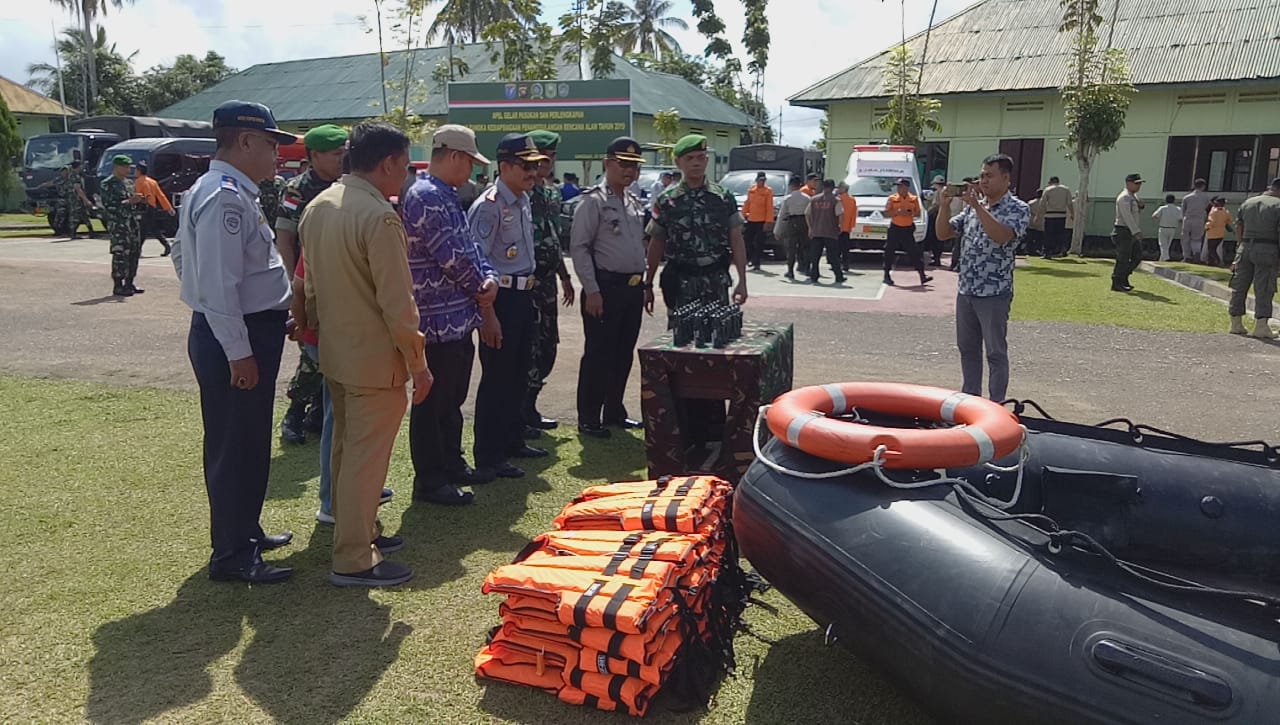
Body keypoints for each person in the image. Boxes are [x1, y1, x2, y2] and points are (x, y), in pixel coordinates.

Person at [170, 100, 298, 584]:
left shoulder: (216, 188)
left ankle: (245, 531)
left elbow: (186, 260)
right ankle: (232, 554)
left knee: (246, 440)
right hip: (236, 336)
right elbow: (219, 284)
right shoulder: (225, 195)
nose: (276, 156)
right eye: (270, 144)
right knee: (235, 445)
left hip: (241, 329)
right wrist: (237, 348)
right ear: (244, 141)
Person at [299, 122, 428, 587]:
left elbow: (309, 287)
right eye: (406, 165)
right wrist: (418, 363)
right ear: (389, 163)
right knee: (365, 459)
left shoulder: (319, 206)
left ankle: (359, 532)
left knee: (344, 450)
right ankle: (354, 556)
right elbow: (398, 305)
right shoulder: (379, 216)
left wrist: (313, 332)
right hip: (374, 360)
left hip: (336, 350)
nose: (407, 175)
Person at [402, 124, 500, 506]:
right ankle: (430, 478)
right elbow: (454, 257)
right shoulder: (428, 196)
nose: (472, 171)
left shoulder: (444, 194)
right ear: (455, 156)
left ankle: (451, 463)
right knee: (433, 401)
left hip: (456, 316)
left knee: (453, 396)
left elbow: (470, 248)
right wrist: (484, 289)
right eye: (470, 162)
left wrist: (487, 277)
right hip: (435, 318)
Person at [645, 134, 748, 450]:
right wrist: (647, 283)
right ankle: (682, 425)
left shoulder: (723, 197)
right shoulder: (667, 200)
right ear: (678, 163)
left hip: (715, 278)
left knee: (714, 350)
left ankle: (714, 426)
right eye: (690, 158)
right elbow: (656, 244)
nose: (697, 162)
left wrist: (742, 279)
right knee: (680, 349)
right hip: (680, 281)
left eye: (701, 157)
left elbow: (736, 239)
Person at [468, 133, 549, 480]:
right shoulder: (488, 205)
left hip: (522, 295)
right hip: (499, 298)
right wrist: (487, 314)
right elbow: (476, 261)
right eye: (525, 166)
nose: (533, 173)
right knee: (497, 378)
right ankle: (489, 454)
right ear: (504, 166)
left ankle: (512, 440)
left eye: (535, 165)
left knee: (518, 374)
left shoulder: (522, 199)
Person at [275, 124, 350, 445]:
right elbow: (285, 239)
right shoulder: (297, 189)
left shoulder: (350, 185)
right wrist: (294, 286)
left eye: (345, 153)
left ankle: (318, 414)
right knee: (313, 353)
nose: (342, 159)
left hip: (342, 281)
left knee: (335, 353)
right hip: (310, 282)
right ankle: (294, 412)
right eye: (336, 154)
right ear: (315, 155)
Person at [571, 137, 648, 439]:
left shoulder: (632, 201)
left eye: (634, 166)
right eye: (623, 164)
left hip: (631, 288)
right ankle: (589, 416)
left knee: (622, 352)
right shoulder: (593, 201)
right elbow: (579, 248)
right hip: (604, 287)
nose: (629, 171)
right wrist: (591, 289)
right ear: (608, 163)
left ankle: (614, 410)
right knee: (598, 354)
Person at [936, 153, 1030, 402]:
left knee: (995, 352)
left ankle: (996, 404)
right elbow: (943, 233)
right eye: (981, 175)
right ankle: (971, 400)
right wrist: (944, 206)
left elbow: (1002, 236)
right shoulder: (972, 210)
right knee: (967, 349)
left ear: (1006, 178)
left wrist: (977, 207)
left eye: (990, 175)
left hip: (994, 292)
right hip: (967, 290)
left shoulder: (1018, 208)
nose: (983, 181)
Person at [524, 129, 576, 435]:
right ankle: (523, 411)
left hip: (548, 282)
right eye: (544, 157)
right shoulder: (522, 194)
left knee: (547, 346)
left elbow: (554, 239)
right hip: (527, 282)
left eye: (552, 157)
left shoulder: (552, 194)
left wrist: (565, 276)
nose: (549, 163)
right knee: (529, 347)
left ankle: (531, 404)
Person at [1229, 178, 1280, 338]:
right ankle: (1261, 325)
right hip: (1268, 247)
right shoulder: (1278, 205)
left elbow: (1239, 225)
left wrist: (1240, 245)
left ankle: (1236, 322)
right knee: (1264, 286)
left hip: (1245, 246)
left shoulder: (1248, 202)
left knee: (1239, 284)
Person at [100, 154, 146, 297]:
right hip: (119, 224)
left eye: (128, 167)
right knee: (120, 253)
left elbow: (132, 203)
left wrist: (139, 201)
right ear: (116, 167)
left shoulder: (129, 183)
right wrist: (128, 202)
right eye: (125, 167)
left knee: (134, 252)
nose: (128, 170)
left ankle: (130, 282)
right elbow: (109, 206)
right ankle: (118, 284)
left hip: (132, 223)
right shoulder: (107, 184)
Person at [883, 178, 930, 286]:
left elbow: (918, 213)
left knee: (914, 252)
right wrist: (897, 212)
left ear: (906, 187)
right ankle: (886, 275)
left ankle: (922, 275)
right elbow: (885, 213)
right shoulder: (892, 198)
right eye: (898, 186)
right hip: (895, 228)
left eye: (901, 186)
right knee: (889, 251)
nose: (898, 188)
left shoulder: (913, 199)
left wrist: (910, 213)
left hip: (907, 229)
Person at [804, 179, 844, 284]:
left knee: (815, 256)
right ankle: (839, 276)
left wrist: (810, 228)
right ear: (832, 187)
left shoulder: (814, 199)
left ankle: (814, 275)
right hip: (830, 232)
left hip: (816, 231)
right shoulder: (836, 200)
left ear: (823, 187)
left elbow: (807, 214)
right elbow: (839, 214)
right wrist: (840, 227)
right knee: (833, 256)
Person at [133, 161, 175, 256]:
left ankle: (137, 250)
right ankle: (166, 246)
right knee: (152, 229)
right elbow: (161, 196)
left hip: (143, 207)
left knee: (143, 230)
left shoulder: (139, 181)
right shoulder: (153, 182)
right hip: (152, 207)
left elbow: (138, 196)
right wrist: (168, 208)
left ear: (139, 171)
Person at [1111, 173, 1145, 292]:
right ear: (1128, 183)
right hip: (1123, 230)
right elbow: (1127, 216)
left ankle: (1123, 277)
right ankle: (1117, 282)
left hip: (1130, 231)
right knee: (1123, 258)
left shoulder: (1133, 196)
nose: (1139, 186)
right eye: (1136, 183)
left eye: (1140, 183)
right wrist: (1136, 231)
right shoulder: (1124, 197)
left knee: (1137, 256)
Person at [741, 172, 775, 272]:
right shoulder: (752, 190)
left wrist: (768, 222)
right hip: (751, 220)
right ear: (757, 180)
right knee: (748, 240)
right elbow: (747, 203)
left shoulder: (768, 191)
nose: (762, 182)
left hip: (762, 221)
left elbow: (769, 207)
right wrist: (742, 216)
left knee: (759, 242)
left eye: (764, 180)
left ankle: (757, 262)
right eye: (760, 180)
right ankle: (751, 258)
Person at [778, 175, 811, 279]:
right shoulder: (807, 198)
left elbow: (781, 215)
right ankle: (807, 269)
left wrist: (777, 230)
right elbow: (810, 213)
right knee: (805, 246)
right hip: (804, 221)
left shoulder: (788, 199)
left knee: (791, 247)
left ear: (791, 186)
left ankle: (790, 271)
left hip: (792, 222)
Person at [1040, 176, 1072, 258]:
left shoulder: (1048, 190)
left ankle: (1048, 252)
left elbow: (1042, 203)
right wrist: (1072, 213)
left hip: (1049, 215)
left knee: (1048, 235)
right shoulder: (1066, 189)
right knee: (1059, 235)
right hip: (1061, 215)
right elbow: (1069, 203)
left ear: (1050, 182)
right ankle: (1058, 251)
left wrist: (1039, 215)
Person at [1182, 179, 1212, 263]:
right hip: (1199, 220)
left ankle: (1186, 256)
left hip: (1187, 219)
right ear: (1203, 186)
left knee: (1185, 239)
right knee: (1197, 239)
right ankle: (1196, 255)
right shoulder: (1206, 197)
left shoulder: (1187, 197)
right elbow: (1208, 209)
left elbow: (1183, 210)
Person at [64, 160, 95, 239]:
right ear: (79, 166)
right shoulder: (75, 176)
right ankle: (72, 233)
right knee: (75, 216)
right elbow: (78, 189)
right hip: (76, 200)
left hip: (77, 199)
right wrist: (86, 200)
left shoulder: (73, 175)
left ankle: (91, 231)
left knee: (84, 214)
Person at [923, 175, 946, 266]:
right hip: (942, 216)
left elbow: (935, 205)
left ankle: (936, 258)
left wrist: (927, 213)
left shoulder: (937, 193)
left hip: (935, 216)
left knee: (935, 238)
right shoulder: (945, 191)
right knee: (939, 239)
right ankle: (937, 257)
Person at [1152, 194, 1182, 262]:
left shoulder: (1162, 208)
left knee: (1162, 244)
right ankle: (1161, 260)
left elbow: (1154, 216)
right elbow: (1180, 219)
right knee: (1168, 245)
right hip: (1173, 228)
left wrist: (1159, 219)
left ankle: (1166, 258)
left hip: (1163, 227)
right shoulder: (1178, 209)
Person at [1204, 197, 1232, 267]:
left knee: (1211, 249)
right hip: (1221, 232)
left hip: (1212, 232)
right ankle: (1211, 262)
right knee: (1214, 248)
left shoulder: (1214, 211)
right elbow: (1229, 220)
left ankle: (1218, 261)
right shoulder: (1225, 211)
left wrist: (1206, 227)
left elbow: (1211, 222)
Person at [837, 180, 858, 271]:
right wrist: (851, 226)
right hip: (846, 227)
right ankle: (846, 264)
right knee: (845, 248)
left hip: (837, 227)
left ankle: (837, 264)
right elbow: (854, 214)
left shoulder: (838, 199)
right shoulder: (852, 199)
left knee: (836, 247)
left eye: (839, 187)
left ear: (843, 189)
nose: (838, 189)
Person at [1026, 188, 1045, 256]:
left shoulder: (1031, 202)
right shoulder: (1045, 203)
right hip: (1041, 221)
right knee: (1040, 237)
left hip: (1031, 221)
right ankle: (1038, 249)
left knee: (1030, 237)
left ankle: (1029, 249)